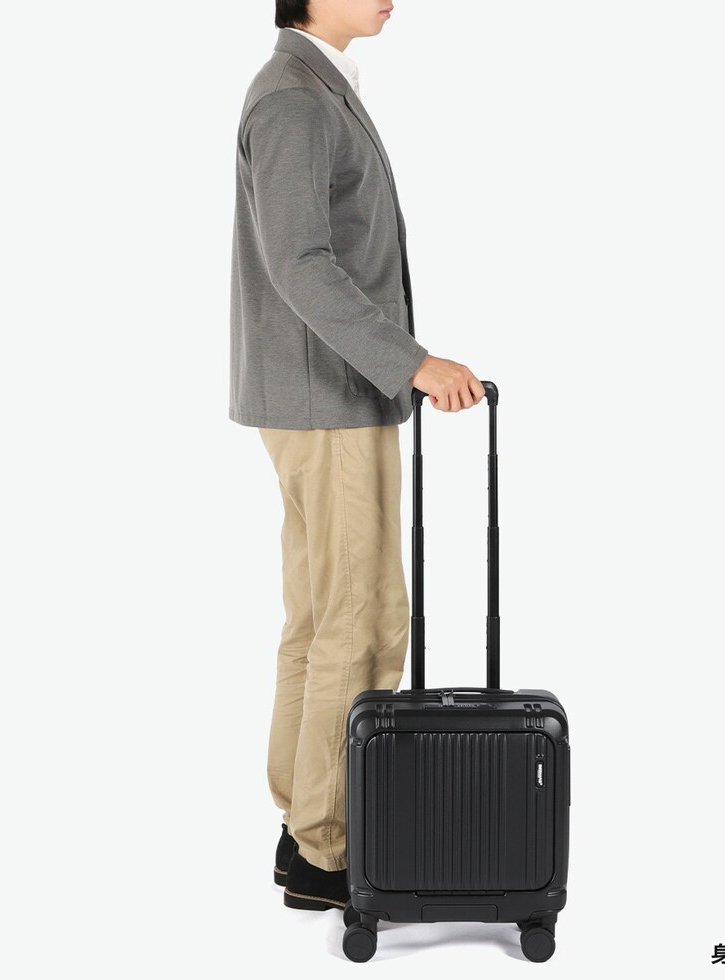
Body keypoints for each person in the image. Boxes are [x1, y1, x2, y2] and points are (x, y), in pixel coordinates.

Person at [229, 0, 483, 912]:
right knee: (362, 618)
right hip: (331, 401)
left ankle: (304, 821)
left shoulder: (309, 86)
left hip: (318, 400)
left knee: (318, 619)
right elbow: (300, 264)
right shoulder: (293, 98)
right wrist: (413, 362)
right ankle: (327, 849)